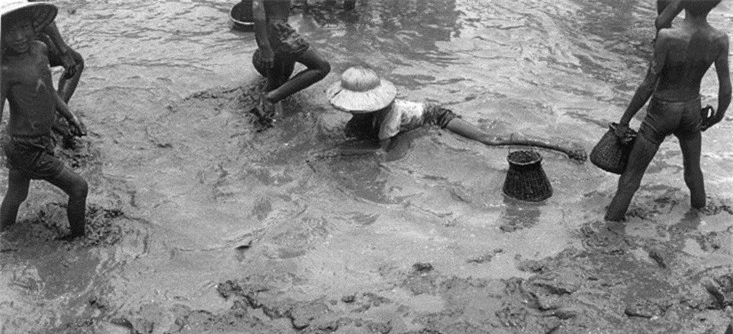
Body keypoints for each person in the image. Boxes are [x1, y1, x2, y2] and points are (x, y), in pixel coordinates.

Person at [605, 0, 730, 221]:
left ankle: (611, 225)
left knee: (631, 176)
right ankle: (698, 216)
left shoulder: (667, 38)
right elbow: (726, 88)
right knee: (694, 172)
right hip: (691, 109)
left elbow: (647, 85)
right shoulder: (719, 39)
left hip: (662, 111)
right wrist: (718, 116)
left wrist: (625, 120)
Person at [327, 66, 586, 160]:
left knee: (489, 140)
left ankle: (559, 147)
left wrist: (343, 152)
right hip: (417, 115)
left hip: (437, 116)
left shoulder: (390, 115)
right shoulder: (362, 116)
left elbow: (384, 152)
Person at [1, 0, 88, 238]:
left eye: (25, 27)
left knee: (17, 195)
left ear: (35, 27)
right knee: (79, 188)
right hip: (24, 146)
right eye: (10, 31)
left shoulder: (39, 49)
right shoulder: (5, 70)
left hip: (37, 141)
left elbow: (48, 89)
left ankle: (3, 234)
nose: (19, 37)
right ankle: (77, 240)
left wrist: (69, 116)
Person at [251, 0, 331, 118]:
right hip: (277, 30)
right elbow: (257, 5)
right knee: (322, 66)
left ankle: (264, 112)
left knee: (275, 82)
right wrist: (264, 46)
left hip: (272, 28)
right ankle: (270, 99)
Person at [29, 0, 84, 104]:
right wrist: (63, 51)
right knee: (76, 62)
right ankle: (59, 113)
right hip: (24, 40)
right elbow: (41, 12)